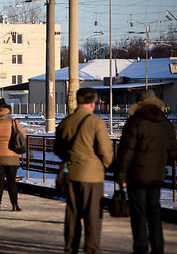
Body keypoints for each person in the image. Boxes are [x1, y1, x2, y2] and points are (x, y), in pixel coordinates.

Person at [115, 90, 177, 254]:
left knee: (139, 213)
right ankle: (158, 247)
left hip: (136, 176)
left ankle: (141, 248)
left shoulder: (134, 122)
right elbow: (173, 152)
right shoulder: (165, 123)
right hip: (156, 176)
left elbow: (126, 152)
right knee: (155, 211)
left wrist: (121, 175)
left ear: (138, 104)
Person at [54, 88, 113, 254]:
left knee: (72, 214)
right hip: (92, 177)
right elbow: (106, 152)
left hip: (71, 175)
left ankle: (70, 248)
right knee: (92, 217)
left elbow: (57, 149)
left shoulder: (65, 122)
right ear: (92, 104)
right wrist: (106, 165)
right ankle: (91, 249)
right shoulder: (96, 123)